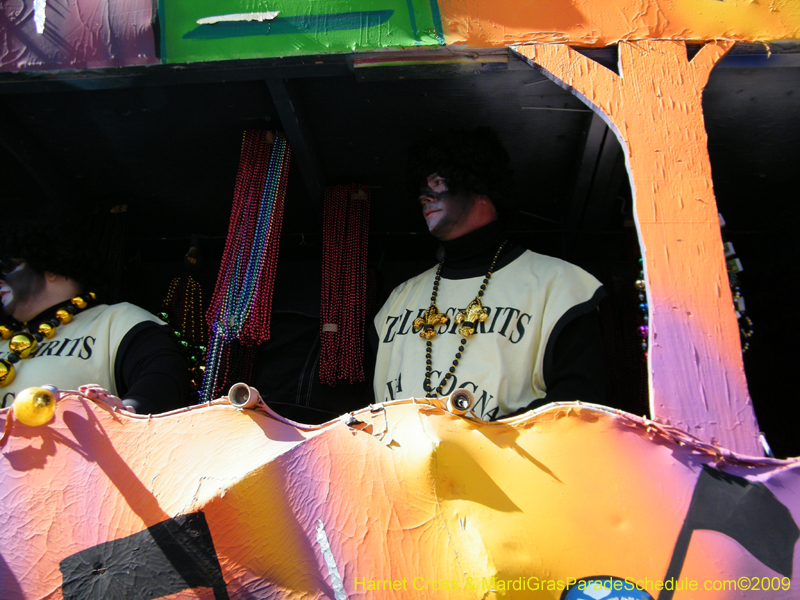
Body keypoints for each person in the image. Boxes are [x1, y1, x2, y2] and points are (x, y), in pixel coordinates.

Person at [371, 128, 606, 420]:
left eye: (439, 181)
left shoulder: (559, 286)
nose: (424, 195)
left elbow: (581, 404)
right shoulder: (399, 298)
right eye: (422, 184)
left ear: (478, 184)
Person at [0, 218, 190, 413]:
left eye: (7, 267)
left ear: (50, 268)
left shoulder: (117, 320)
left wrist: (126, 413)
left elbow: (165, 378)